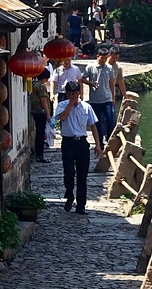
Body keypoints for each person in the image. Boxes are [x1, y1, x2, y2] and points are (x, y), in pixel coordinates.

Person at [54, 79, 101, 214]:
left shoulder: (86, 107)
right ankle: (69, 194)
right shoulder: (62, 105)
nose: (72, 96)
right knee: (69, 172)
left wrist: (98, 145)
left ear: (79, 93)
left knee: (82, 175)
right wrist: (70, 103)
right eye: (69, 93)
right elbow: (62, 118)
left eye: (74, 93)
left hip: (82, 143)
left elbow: (93, 125)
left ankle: (81, 205)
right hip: (68, 142)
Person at [85, 45, 116, 148]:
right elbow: (82, 78)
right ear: (97, 56)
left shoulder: (109, 68)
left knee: (110, 120)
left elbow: (112, 83)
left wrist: (113, 97)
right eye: (102, 58)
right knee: (97, 122)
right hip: (95, 100)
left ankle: (109, 138)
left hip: (107, 98)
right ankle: (100, 143)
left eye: (105, 58)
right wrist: (91, 84)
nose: (103, 60)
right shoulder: (90, 67)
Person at [29, 69, 52, 162]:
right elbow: (43, 100)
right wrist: (48, 113)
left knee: (39, 132)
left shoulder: (34, 84)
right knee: (40, 133)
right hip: (40, 112)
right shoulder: (41, 86)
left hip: (34, 111)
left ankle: (38, 153)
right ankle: (40, 155)